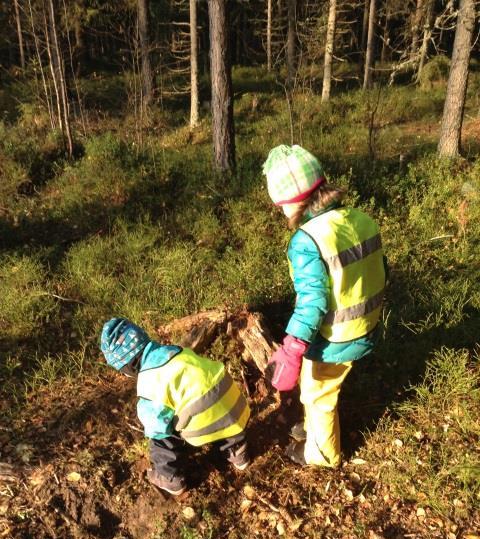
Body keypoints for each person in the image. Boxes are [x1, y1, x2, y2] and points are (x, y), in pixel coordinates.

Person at [263, 145, 386, 468]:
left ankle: (322, 456)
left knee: (318, 397)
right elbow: (380, 268)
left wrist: (292, 347)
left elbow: (312, 303)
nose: (281, 213)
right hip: (367, 323)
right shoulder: (361, 219)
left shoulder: (307, 241)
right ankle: (316, 431)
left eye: (281, 206)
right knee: (315, 387)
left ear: (293, 202)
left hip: (336, 336)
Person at [100, 318, 250, 495]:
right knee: (210, 402)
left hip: (206, 421)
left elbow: (155, 425)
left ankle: (170, 478)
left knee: (161, 434)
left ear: (126, 367)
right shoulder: (176, 351)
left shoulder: (149, 383)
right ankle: (237, 451)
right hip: (235, 406)